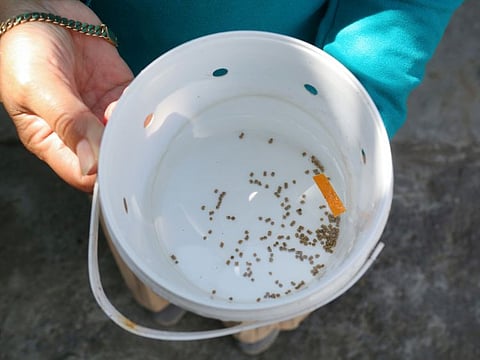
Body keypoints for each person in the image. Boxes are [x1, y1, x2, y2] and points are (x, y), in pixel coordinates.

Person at [0, 0, 463, 355]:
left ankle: (256, 320)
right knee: (136, 237)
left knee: (273, 300)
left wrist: (361, 86)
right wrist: (25, 8)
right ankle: (156, 292)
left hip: (302, 66)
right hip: (112, 95)